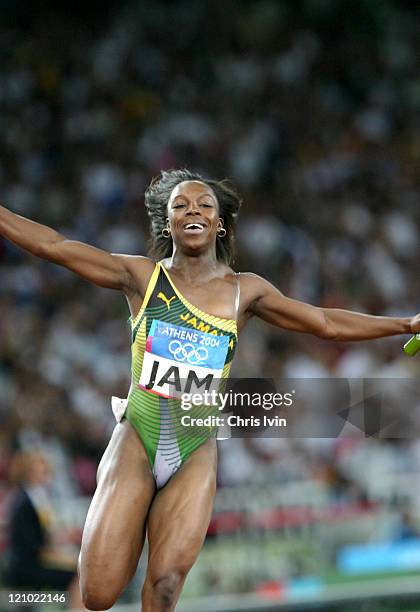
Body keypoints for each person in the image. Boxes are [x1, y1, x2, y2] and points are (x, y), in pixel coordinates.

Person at [1, 168, 419, 611]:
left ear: (220, 224)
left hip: (196, 444)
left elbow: (326, 322)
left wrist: (405, 324)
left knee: (164, 586)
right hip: (137, 437)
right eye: (180, 205)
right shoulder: (142, 277)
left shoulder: (246, 291)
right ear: (167, 223)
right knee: (98, 593)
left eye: (204, 205)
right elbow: (55, 246)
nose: (193, 210)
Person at [4, 451, 82, 609]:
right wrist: (59, 557)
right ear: (28, 473)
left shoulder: (37, 499)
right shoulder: (24, 503)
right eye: (41, 472)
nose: (46, 476)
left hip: (34, 560)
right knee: (77, 575)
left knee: (78, 568)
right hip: (25, 566)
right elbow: (31, 546)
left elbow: (44, 535)